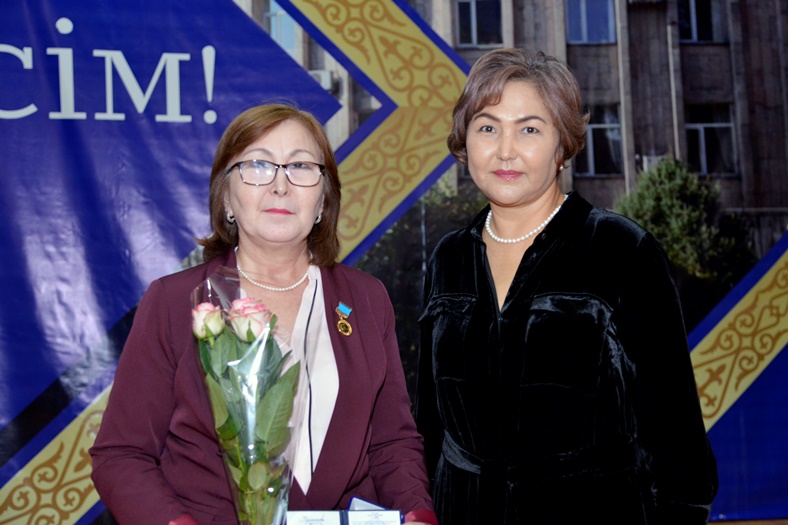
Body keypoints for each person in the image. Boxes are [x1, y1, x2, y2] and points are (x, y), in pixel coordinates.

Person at [90, 103, 437, 525]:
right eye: (258, 165)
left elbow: (392, 443)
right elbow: (122, 455)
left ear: (323, 200)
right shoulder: (174, 302)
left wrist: (419, 513)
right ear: (226, 197)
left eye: (301, 166)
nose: (280, 185)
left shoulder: (365, 299)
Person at [415, 48, 718, 524]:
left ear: (563, 146)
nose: (505, 150)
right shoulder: (448, 258)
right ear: (464, 141)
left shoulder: (621, 249)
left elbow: (675, 432)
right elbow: (429, 423)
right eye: (487, 128)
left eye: (530, 129)